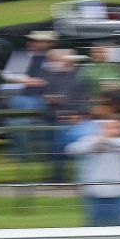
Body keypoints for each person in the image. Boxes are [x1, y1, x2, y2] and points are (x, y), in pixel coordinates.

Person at [67, 104, 120, 227]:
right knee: (94, 228)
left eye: (116, 128)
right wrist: (98, 142)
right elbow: (72, 150)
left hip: (119, 193)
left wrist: (108, 141)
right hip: (95, 193)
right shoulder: (90, 140)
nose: (112, 131)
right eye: (108, 128)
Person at [1, 31, 54, 163]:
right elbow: (7, 75)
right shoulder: (21, 55)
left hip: (47, 97)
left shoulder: (53, 57)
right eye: (36, 41)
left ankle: (44, 155)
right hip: (23, 96)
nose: (38, 43)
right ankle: (21, 155)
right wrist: (26, 80)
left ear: (48, 43)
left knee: (46, 123)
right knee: (19, 122)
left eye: (42, 41)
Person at [40, 49, 91, 183]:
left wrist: (79, 114)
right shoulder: (51, 75)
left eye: (59, 59)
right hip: (55, 117)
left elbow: (86, 97)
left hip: (76, 118)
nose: (57, 62)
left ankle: (76, 179)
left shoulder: (82, 75)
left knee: (68, 146)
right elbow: (45, 94)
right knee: (56, 148)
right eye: (55, 60)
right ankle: (57, 179)